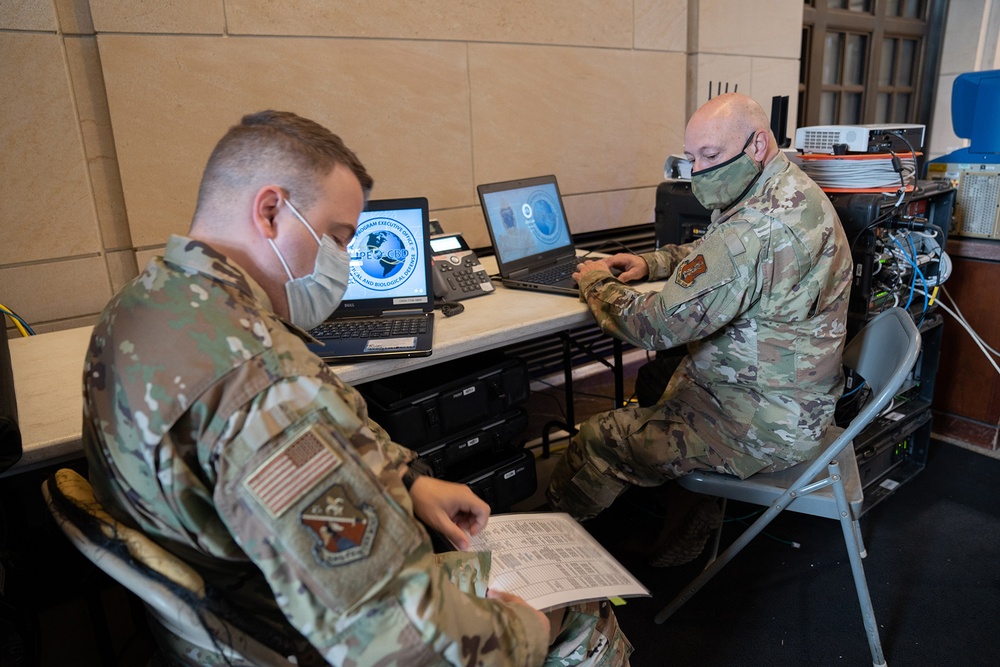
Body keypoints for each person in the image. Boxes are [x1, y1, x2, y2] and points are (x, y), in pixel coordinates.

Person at [82, 110, 631, 666]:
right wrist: (525, 631)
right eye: (336, 237)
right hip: (294, 640)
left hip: (225, 623)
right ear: (270, 211)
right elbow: (395, 637)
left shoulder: (143, 305)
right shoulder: (263, 383)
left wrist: (409, 480)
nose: (342, 262)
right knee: (581, 610)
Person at [546, 93, 853, 566]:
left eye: (709, 156)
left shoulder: (753, 230)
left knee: (599, 435)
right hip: (796, 397)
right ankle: (686, 520)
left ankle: (549, 560)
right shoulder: (787, 189)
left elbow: (653, 325)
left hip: (761, 423)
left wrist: (595, 283)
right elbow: (717, 255)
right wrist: (652, 262)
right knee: (654, 382)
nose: (698, 171)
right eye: (691, 158)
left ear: (757, 144)